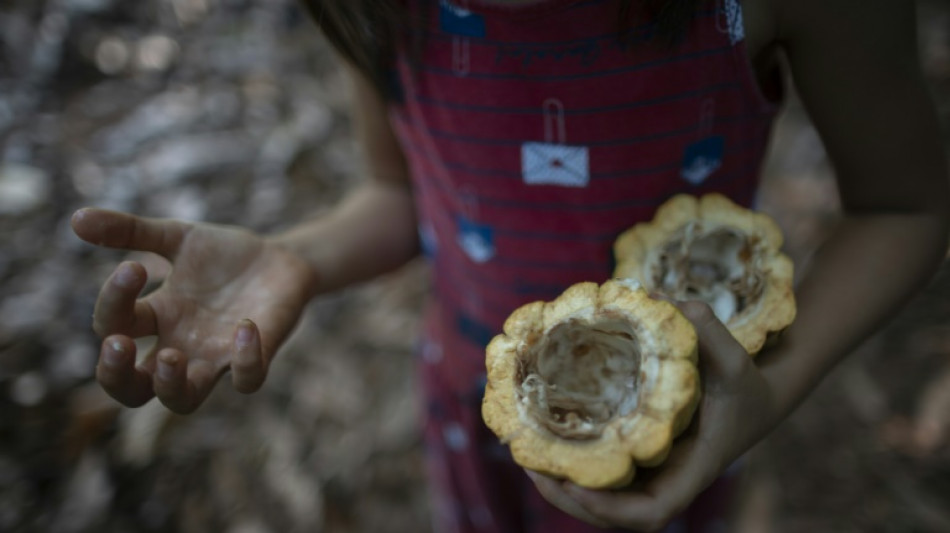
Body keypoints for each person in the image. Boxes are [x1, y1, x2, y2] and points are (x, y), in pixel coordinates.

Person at [71, 0, 949, 531]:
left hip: (688, 431)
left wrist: (766, 394)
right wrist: (296, 256)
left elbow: (906, 205)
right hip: (469, 398)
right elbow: (403, 192)